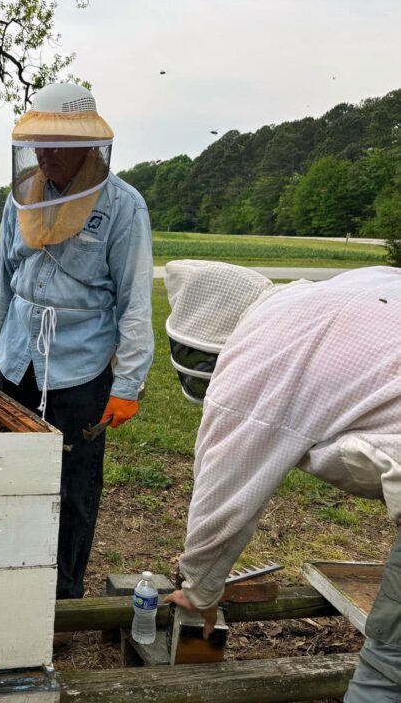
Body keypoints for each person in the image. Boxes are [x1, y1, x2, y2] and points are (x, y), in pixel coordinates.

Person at [160, 261, 401, 702]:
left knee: (388, 667)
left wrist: (199, 590)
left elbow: (226, 495)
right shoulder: (341, 288)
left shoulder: (255, 355)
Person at [0, 83, 154, 602]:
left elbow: (135, 301)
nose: (45, 154)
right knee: (9, 477)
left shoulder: (124, 206)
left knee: (74, 488)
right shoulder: (23, 197)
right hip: (18, 362)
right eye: (39, 142)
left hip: (79, 371)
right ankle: (9, 577)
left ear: (86, 144)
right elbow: (3, 280)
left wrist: (128, 385)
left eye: (56, 143)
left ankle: (63, 596)